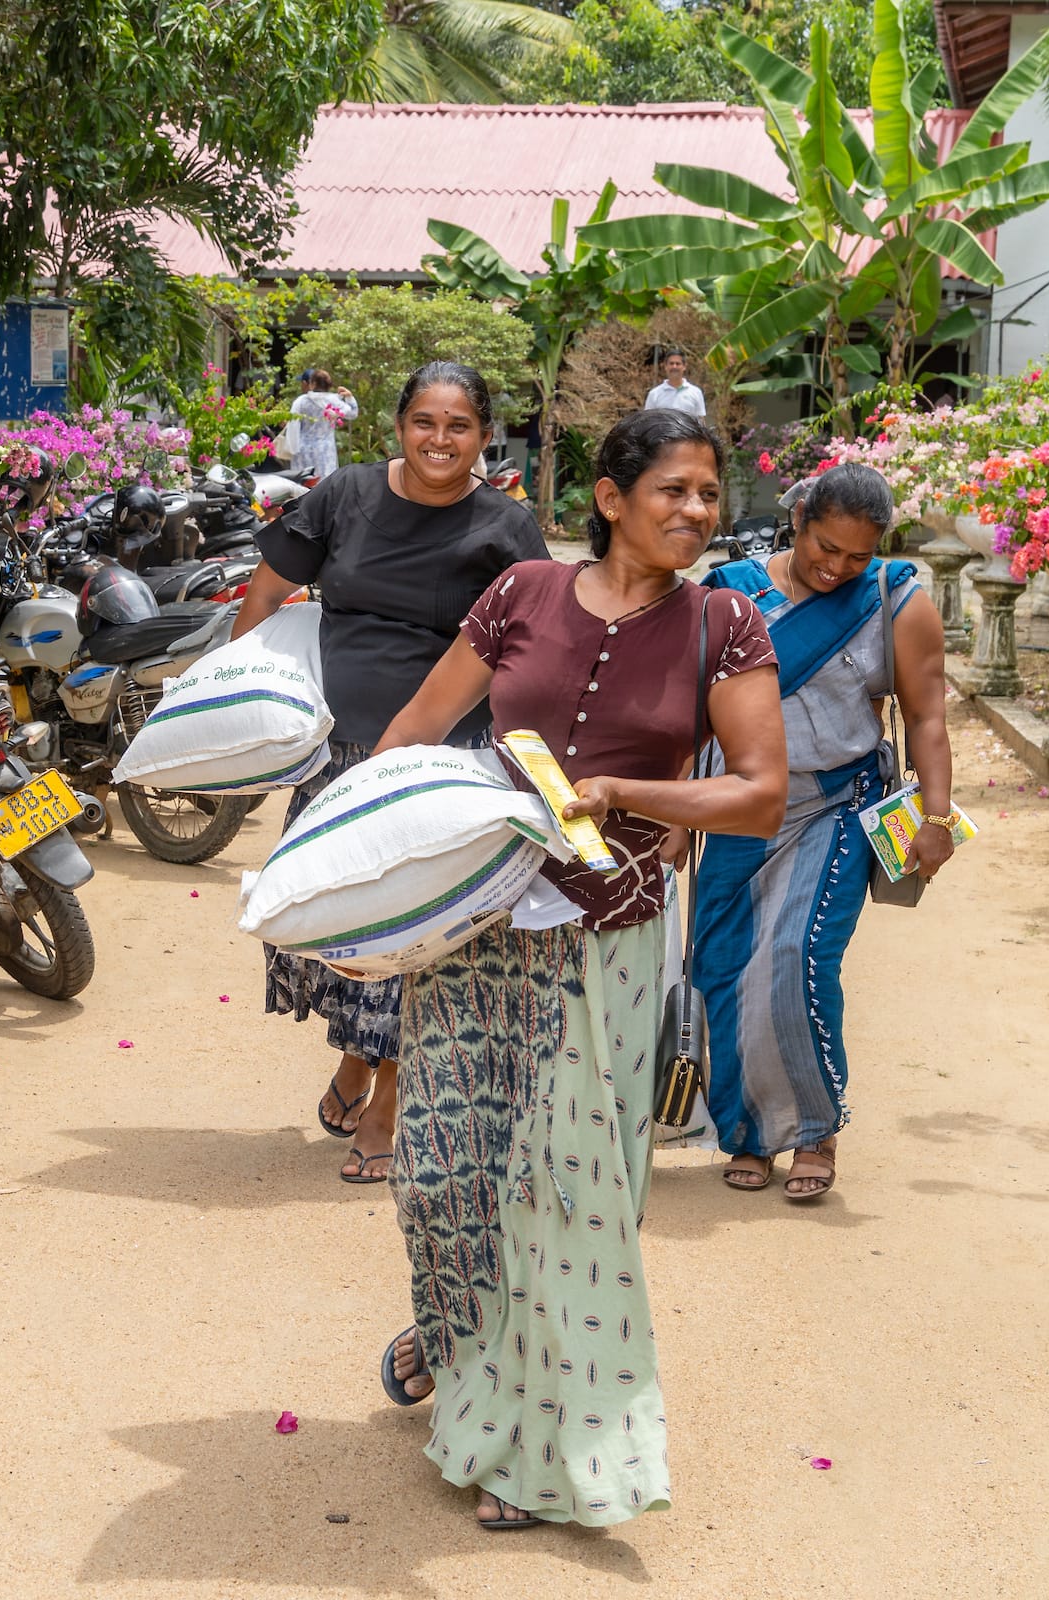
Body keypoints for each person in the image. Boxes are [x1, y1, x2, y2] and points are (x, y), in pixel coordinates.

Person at [370, 407, 787, 1530]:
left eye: (710, 495)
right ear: (611, 499)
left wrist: (626, 793)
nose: (699, 512)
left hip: (604, 938)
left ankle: (543, 1451)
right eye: (675, 492)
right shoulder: (523, 598)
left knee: (561, 1191)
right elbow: (417, 725)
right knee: (443, 1171)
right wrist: (353, 859)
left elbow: (759, 791)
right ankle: (462, 1340)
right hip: (475, 931)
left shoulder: (726, 626)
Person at [234, 361, 548, 1184]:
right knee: (329, 925)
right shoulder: (345, 499)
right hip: (337, 753)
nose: (439, 440)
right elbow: (267, 593)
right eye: (424, 422)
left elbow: (542, 643)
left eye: (459, 426)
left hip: (440, 766)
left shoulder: (507, 527)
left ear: (484, 436)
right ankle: (353, 1056)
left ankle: (389, 1098)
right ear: (397, 426)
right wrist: (247, 702)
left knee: (409, 935)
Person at [696, 462, 953, 1201]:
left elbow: (928, 714)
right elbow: (688, 709)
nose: (839, 568)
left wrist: (935, 819)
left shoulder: (893, 598)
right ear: (799, 518)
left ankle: (814, 1132)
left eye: (856, 555)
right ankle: (748, 1134)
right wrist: (675, 813)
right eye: (825, 549)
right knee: (725, 965)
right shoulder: (729, 594)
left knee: (798, 956)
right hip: (738, 807)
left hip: (837, 801)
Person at [284, 368, 358, 481]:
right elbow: (353, 413)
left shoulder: (301, 401)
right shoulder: (334, 401)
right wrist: (349, 396)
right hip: (325, 451)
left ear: (313, 384)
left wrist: (292, 449)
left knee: (305, 485)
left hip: (303, 450)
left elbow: (293, 426)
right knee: (326, 485)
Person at [643, 350, 706, 417]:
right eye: (671, 363)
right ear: (665, 366)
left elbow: (701, 421)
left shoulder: (696, 392)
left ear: (684, 367)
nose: (674, 367)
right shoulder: (654, 394)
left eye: (678, 364)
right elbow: (648, 420)